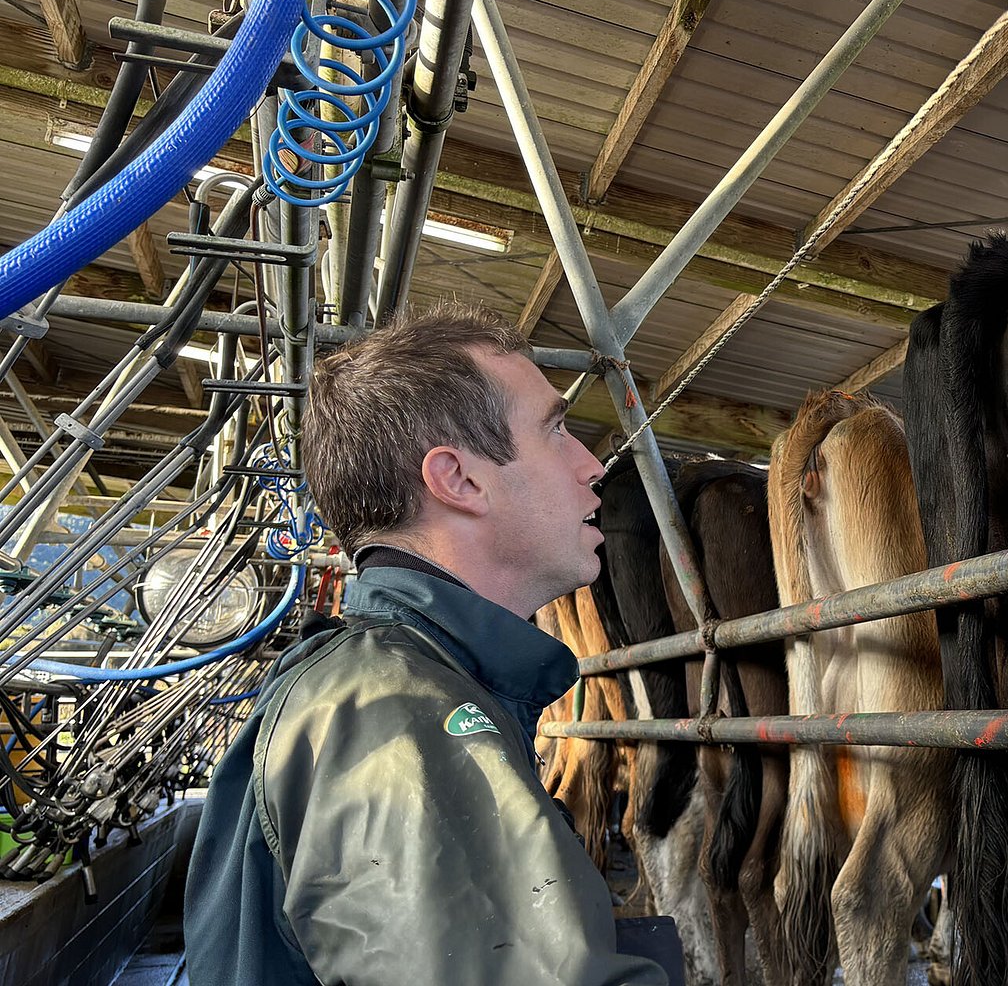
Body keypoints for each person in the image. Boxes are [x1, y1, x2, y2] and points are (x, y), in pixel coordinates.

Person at [184, 303, 667, 986]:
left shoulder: (395, 681)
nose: (592, 466)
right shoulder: (401, 716)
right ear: (459, 480)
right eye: (556, 430)